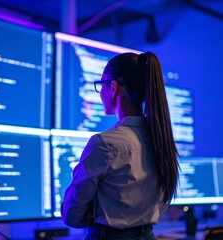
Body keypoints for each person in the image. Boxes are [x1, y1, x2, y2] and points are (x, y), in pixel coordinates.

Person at [61, 52, 179, 240]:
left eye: (101, 85)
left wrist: (93, 213)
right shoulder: (161, 141)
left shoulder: (104, 143)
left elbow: (71, 213)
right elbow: (161, 201)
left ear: (113, 87)